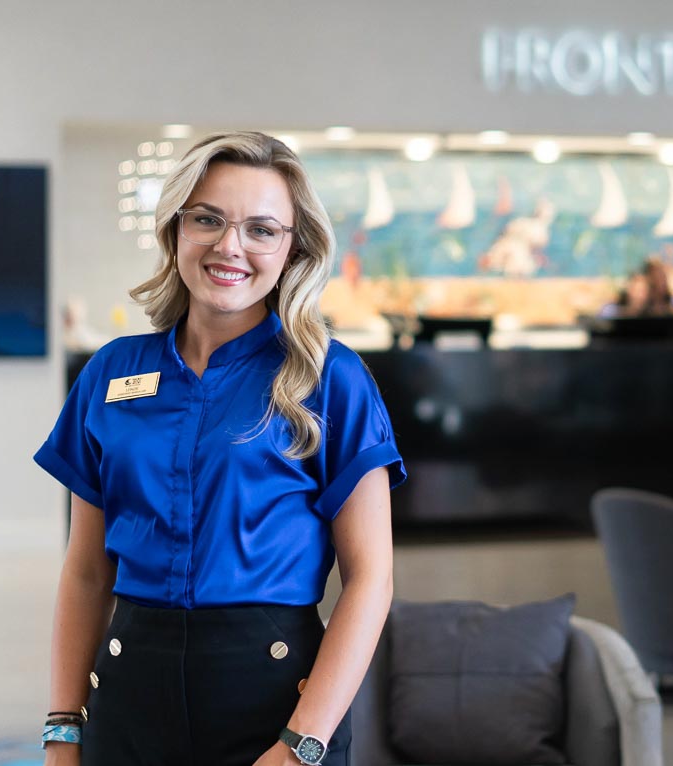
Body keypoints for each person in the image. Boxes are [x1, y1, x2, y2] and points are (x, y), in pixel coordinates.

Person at [35, 132, 404, 766]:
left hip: (273, 702)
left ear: (292, 250)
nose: (229, 246)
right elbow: (87, 572)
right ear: (175, 229)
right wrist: (63, 730)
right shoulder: (110, 372)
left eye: (262, 229)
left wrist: (303, 743)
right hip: (128, 695)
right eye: (207, 219)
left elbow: (370, 579)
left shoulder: (330, 378)